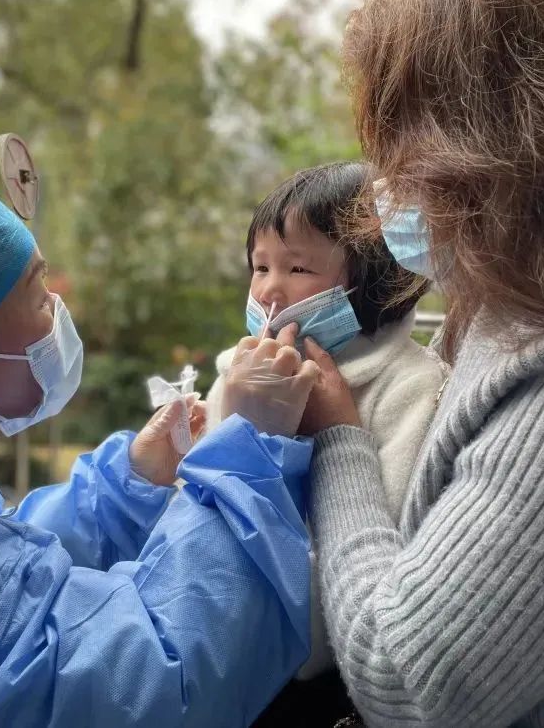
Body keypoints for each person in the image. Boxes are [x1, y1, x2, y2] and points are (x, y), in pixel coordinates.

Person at [299, 0, 544, 726]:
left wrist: (340, 440)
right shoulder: (525, 293)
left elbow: (409, 682)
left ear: (506, 136)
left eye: (406, 135)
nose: (389, 179)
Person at [0, 136, 321, 727]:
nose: (58, 313)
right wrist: (246, 457)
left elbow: (2, 583)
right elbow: (155, 683)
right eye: (39, 297)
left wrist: (124, 490)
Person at [205, 163, 445, 693]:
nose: (269, 291)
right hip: (208, 649)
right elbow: (193, 521)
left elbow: (390, 546)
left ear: (374, 279)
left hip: (324, 673)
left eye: (297, 269)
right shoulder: (236, 376)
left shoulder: (410, 389)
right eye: (259, 266)